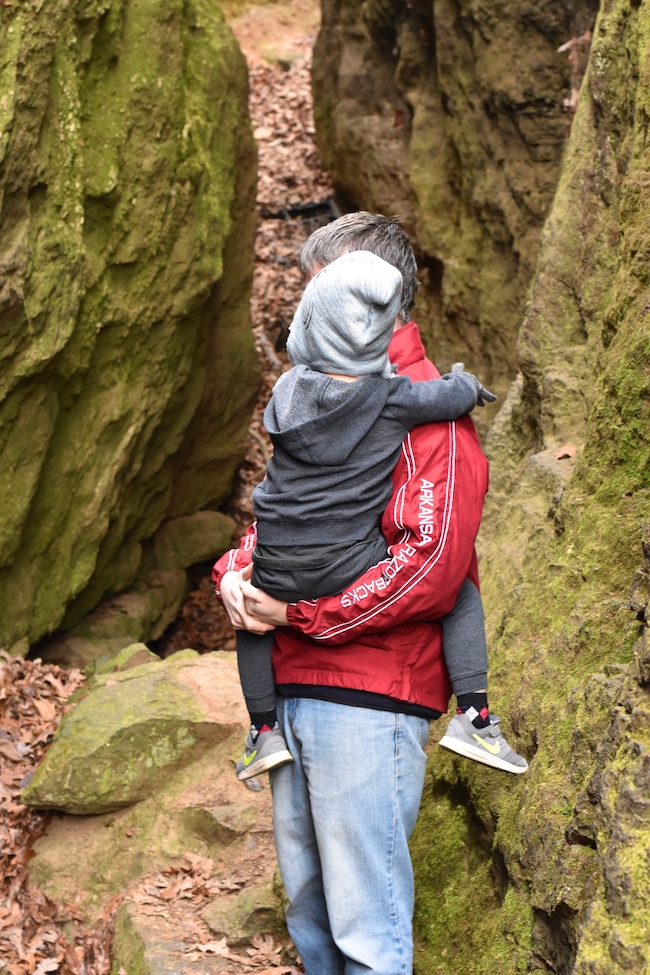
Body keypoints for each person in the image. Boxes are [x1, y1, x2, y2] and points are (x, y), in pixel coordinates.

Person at [213, 212, 528, 975]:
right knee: (310, 911)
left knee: (366, 929)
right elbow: (286, 518)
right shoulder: (315, 399)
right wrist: (235, 572)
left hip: (370, 696)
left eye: (323, 295)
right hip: (291, 686)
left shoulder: (430, 416)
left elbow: (431, 567)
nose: (307, 315)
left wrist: (300, 614)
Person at [233, 248, 492, 780]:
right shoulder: (392, 397)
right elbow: (447, 398)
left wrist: (232, 578)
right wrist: (467, 385)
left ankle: (261, 730)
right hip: (343, 568)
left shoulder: (284, 395)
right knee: (461, 586)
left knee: (250, 610)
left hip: (279, 561)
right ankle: (476, 714)